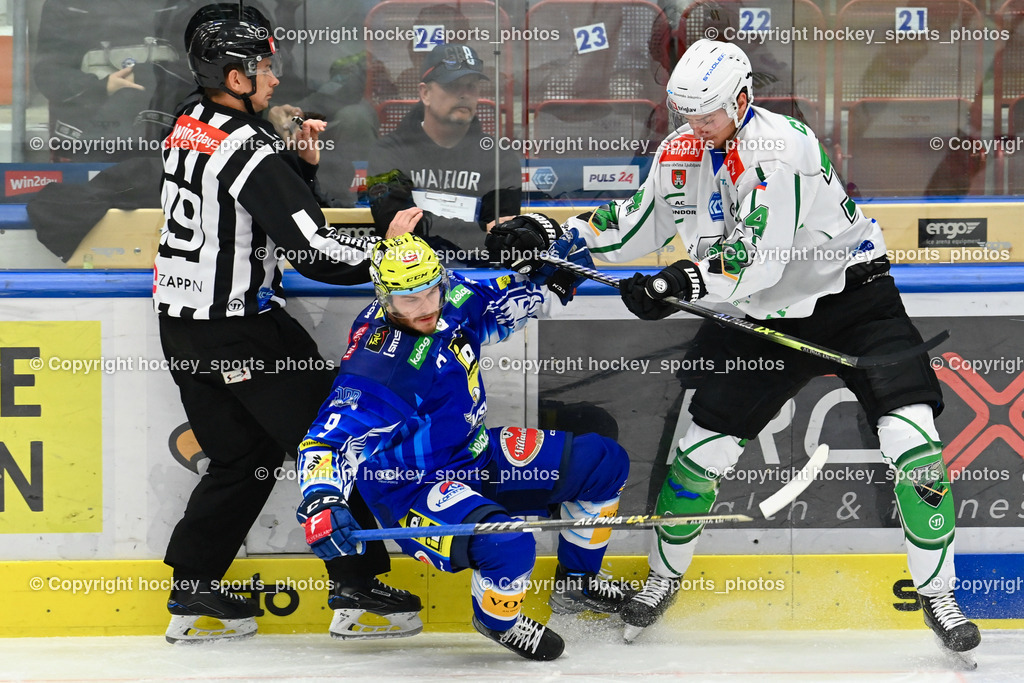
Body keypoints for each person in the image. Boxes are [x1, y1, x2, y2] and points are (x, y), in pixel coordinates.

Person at [486, 39, 981, 660]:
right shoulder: (680, 151)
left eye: (710, 114)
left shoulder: (782, 149)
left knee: (913, 442)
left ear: (743, 98)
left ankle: (940, 595)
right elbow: (634, 224)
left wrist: (674, 283)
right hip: (762, 320)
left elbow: (758, 261)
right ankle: (664, 581)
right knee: (698, 455)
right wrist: (557, 237)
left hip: (854, 303)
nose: (697, 126)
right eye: (685, 113)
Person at [155, 18, 420, 643]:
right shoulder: (248, 147)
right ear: (235, 78)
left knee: (242, 455)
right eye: (264, 68)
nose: (275, 78)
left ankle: (193, 586)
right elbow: (311, 250)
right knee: (334, 441)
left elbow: (252, 208)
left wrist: (297, 167)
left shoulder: (188, 120)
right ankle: (357, 583)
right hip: (242, 329)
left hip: (182, 327)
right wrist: (391, 249)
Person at [294, 230, 633, 661]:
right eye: (408, 300)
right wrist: (321, 502)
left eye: (430, 291)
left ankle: (577, 584)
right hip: (413, 489)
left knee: (604, 462)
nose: (425, 308)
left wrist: (546, 274)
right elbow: (325, 442)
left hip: (477, 456)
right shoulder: (382, 364)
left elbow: (498, 305)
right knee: (508, 543)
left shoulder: (450, 298)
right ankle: (500, 623)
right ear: (384, 296)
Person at [364, 43, 522, 265]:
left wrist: (425, 225)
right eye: (453, 85)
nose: (464, 95)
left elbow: (502, 239)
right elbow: (391, 225)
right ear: (425, 93)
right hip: (410, 277)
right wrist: (477, 231)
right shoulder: (388, 152)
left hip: (479, 277)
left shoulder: (500, 156)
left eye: (472, 86)